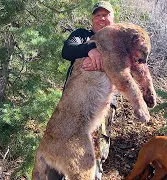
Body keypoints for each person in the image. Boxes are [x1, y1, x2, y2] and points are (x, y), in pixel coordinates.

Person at [59, 1, 116, 180]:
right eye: (97, 15)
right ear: (92, 18)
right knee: (63, 144)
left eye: (105, 15)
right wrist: (90, 49)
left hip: (101, 105)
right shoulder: (81, 35)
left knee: (94, 151)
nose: (101, 19)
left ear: (112, 18)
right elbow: (67, 51)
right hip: (73, 102)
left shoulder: (118, 42)